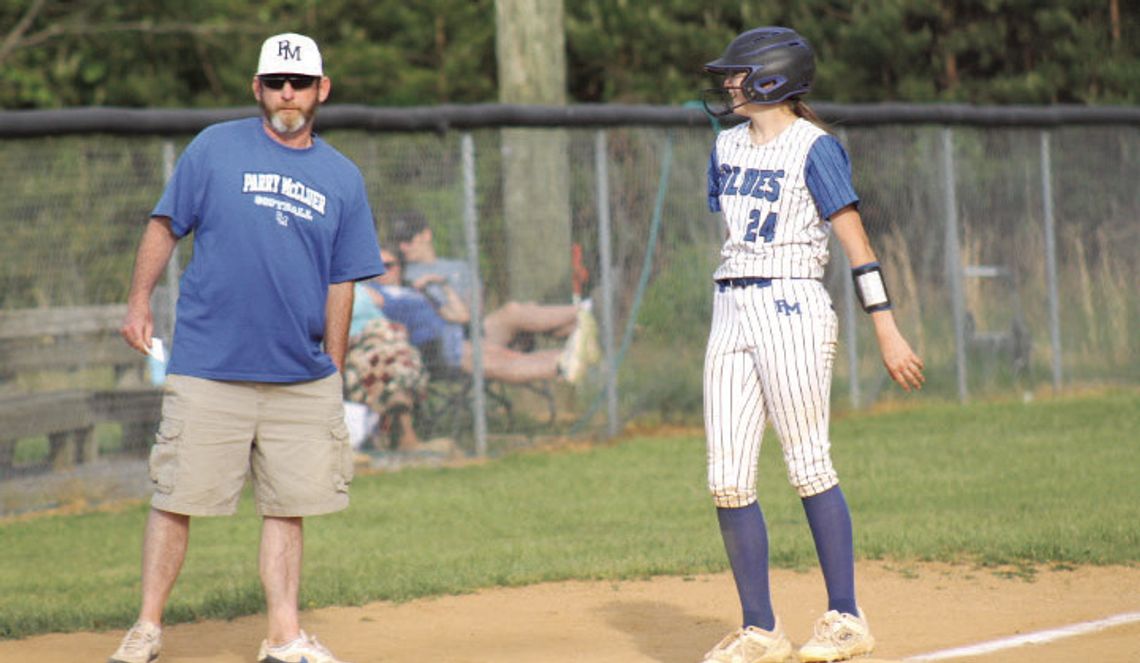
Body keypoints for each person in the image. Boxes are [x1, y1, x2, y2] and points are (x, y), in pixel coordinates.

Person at [112, 33, 383, 663]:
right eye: (275, 81)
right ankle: (147, 627)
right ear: (255, 88)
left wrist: (334, 368)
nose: (287, 93)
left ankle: (283, 636)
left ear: (322, 90)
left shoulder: (342, 177)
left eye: (300, 83)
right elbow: (165, 225)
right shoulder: (215, 148)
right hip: (212, 363)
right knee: (177, 497)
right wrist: (137, 302)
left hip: (300, 371)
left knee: (289, 507)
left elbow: (343, 281)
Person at [698, 27, 925, 663]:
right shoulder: (724, 145)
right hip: (731, 305)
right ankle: (759, 631)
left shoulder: (815, 147)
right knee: (727, 478)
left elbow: (857, 247)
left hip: (792, 302)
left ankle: (846, 618)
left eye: (738, 74)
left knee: (808, 463)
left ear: (771, 80)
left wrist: (885, 325)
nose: (728, 84)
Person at [371, 248, 597, 384]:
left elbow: (460, 316)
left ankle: (585, 321)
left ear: (399, 267)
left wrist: (442, 285)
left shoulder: (413, 289)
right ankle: (565, 363)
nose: (382, 271)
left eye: (388, 265)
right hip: (436, 350)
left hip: (461, 334)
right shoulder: (378, 294)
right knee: (504, 358)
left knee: (511, 322)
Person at [389, 209, 588, 351]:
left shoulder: (459, 267)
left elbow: (475, 308)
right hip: (452, 339)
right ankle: (588, 311)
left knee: (549, 321)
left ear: (426, 235)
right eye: (399, 242)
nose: (403, 247)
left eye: (408, 240)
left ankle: (586, 330)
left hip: (477, 329)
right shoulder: (403, 274)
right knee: (514, 312)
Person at [343, 258, 436, 454]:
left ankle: (397, 424)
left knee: (399, 356)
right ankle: (402, 431)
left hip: (387, 340)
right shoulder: (318, 291)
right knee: (384, 360)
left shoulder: (357, 286)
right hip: (356, 346)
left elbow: (380, 300)